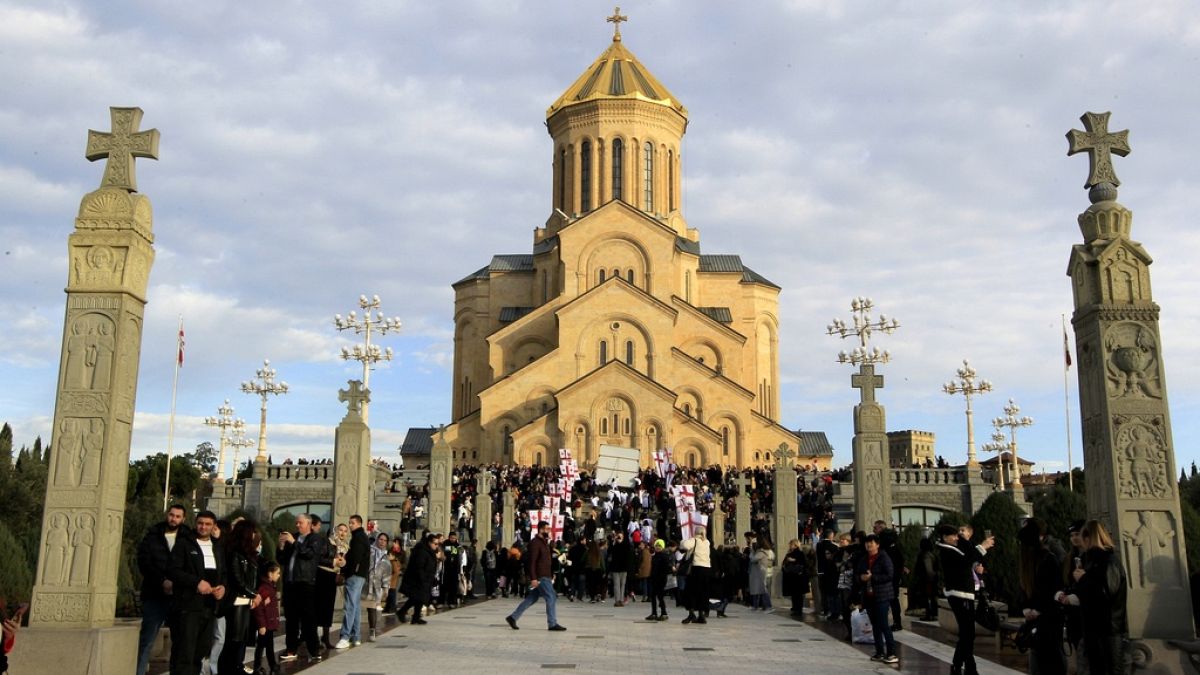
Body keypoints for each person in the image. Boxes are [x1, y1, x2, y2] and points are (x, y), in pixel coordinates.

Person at [1056, 519, 1128, 675]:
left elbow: (1105, 594)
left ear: (1089, 538)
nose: (1079, 541)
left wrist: (1083, 580)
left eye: (1081, 537)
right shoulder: (1094, 561)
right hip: (1094, 629)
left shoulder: (1108, 561)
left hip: (1108, 629)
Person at [167, 510, 227, 675]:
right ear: (195, 523)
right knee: (185, 651)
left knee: (200, 651)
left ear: (213, 526)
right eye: (200, 523)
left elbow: (223, 574)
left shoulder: (217, 547)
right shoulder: (184, 544)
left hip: (209, 607)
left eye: (208, 524)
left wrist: (223, 587)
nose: (203, 527)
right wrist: (196, 583)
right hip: (188, 606)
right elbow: (173, 570)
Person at [136, 504, 188, 675]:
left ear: (183, 519)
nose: (174, 519)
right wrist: (162, 581)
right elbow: (144, 562)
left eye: (178, 516)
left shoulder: (188, 537)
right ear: (167, 515)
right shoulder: (153, 535)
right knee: (146, 641)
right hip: (155, 595)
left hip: (178, 597)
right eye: (171, 515)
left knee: (180, 643)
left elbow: (192, 567)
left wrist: (176, 582)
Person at [936, 523, 994, 675]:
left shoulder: (954, 547)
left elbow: (969, 555)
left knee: (967, 632)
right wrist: (983, 546)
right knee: (967, 632)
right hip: (958, 594)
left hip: (963, 594)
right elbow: (967, 560)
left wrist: (964, 540)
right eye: (954, 535)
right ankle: (960, 665)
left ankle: (968, 666)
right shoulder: (947, 550)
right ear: (944, 537)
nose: (957, 537)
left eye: (958, 534)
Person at [277, 513, 329, 663]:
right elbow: (282, 559)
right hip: (290, 582)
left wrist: (294, 542)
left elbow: (308, 554)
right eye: (296, 523)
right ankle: (291, 648)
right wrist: (281, 545)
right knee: (291, 618)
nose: (297, 525)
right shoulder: (292, 538)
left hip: (305, 582)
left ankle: (314, 650)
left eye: (300, 523)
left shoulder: (315, 539)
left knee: (308, 619)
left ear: (308, 524)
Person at [1017, 519, 1066, 675]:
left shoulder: (1040, 559)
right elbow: (1051, 589)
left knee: (1044, 660)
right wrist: (1030, 609)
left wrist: (1030, 609)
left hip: (1044, 619)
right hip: (1043, 618)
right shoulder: (1042, 558)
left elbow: (1051, 589)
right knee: (1046, 660)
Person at [505, 521, 567, 631]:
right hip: (540, 575)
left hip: (545, 574)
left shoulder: (545, 543)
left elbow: (547, 561)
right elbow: (532, 562)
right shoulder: (535, 543)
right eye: (547, 529)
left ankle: (513, 617)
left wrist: (551, 574)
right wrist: (533, 578)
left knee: (532, 598)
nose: (548, 531)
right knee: (551, 597)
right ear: (541, 530)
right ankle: (552, 623)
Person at [217, 519, 261, 675]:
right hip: (236, 601)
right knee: (233, 641)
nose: (255, 535)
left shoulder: (248, 553)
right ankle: (228, 670)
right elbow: (237, 579)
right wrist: (254, 594)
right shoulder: (235, 553)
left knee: (239, 640)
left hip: (245, 601)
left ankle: (235, 667)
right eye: (253, 531)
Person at [857, 533, 899, 664]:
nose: (868, 545)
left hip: (882, 595)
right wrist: (861, 578)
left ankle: (891, 653)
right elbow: (858, 573)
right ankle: (879, 651)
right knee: (875, 625)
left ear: (877, 544)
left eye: (871, 543)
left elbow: (889, 575)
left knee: (883, 624)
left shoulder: (883, 557)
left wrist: (872, 577)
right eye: (867, 543)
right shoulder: (864, 558)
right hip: (869, 596)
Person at [335, 515, 370, 649]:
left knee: (350, 606)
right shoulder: (360, 537)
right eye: (349, 523)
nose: (350, 525)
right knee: (354, 606)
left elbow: (355, 558)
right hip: (359, 575)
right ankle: (356, 637)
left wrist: (347, 570)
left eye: (353, 523)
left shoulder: (358, 538)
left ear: (359, 524)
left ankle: (345, 636)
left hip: (355, 575)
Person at [397, 533, 440, 625]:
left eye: (437, 544)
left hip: (425, 579)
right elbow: (419, 567)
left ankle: (416, 617)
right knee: (416, 597)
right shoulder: (422, 551)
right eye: (435, 544)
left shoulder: (429, 552)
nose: (436, 546)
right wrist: (424, 578)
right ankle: (402, 611)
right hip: (418, 579)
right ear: (429, 542)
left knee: (420, 598)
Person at [316, 520, 346, 650]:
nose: (342, 533)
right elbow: (320, 558)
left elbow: (344, 564)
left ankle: (326, 637)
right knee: (319, 606)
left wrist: (343, 565)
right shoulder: (327, 542)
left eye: (345, 531)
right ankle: (313, 638)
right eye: (340, 530)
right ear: (335, 531)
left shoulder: (344, 547)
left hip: (333, 577)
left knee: (329, 607)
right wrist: (334, 561)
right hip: (322, 574)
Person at [251, 562, 282, 675]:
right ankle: (259, 666)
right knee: (262, 646)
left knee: (268, 645)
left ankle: (271, 665)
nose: (279, 575)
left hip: (269, 623)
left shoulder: (270, 587)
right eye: (277, 573)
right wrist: (262, 625)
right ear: (270, 574)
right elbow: (258, 608)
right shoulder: (265, 588)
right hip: (266, 624)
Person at [679, 527, 713, 625]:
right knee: (703, 592)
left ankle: (691, 613)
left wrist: (686, 538)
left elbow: (684, 545)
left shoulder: (694, 540)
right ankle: (701, 615)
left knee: (690, 591)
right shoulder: (707, 542)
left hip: (696, 569)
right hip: (706, 569)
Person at [364, 532, 392, 641]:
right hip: (364, 582)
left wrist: (386, 588)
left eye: (385, 540)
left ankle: (372, 631)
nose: (382, 542)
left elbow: (387, 573)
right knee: (357, 607)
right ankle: (353, 632)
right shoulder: (370, 550)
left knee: (372, 608)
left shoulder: (385, 556)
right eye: (381, 539)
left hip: (375, 586)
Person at [815, 529, 841, 620]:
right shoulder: (834, 546)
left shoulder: (818, 545)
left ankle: (825, 610)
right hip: (831, 572)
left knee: (823, 592)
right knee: (832, 592)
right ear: (831, 536)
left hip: (821, 571)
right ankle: (833, 610)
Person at [912, 535, 939, 621]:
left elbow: (928, 569)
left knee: (928, 597)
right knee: (931, 597)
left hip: (927, 580)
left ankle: (929, 614)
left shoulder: (925, 555)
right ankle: (931, 613)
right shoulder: (931, 554)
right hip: (930, 579)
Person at [782, 538, 810, 616]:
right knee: (794, 594)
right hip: (793, 577)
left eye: (791, 544)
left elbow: (804, 564)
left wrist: (794, 561)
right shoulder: (790, 553)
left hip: (798, 577)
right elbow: (784, 563)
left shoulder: (800, 553)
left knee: (798, 595)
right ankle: (795, 607)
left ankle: (798, 609)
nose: (790, 546)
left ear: (795, 545)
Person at [647, 539, 671, 621]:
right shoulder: (655, 556)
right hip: (654, 578)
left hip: (661, 579)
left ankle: (664, 613)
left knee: (660, 596)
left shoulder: (665, 556)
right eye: (656, 545)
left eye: (659, 546)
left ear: (662, 547)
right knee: (653, 596)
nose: (657, 547)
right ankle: (654, 613)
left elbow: (667, 568)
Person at [749, 540, 775, 610]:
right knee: (761, 590)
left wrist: (752, 552)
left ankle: (766, 605)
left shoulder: (761, 552)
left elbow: (753, 559)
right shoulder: (769, 552)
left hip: (761, 573)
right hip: (766, 572)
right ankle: (762, 605)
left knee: (761, 590)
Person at [608, 531, 631, 607]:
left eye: (620, 537)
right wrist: (614, 541)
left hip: (623, 568)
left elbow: (627, 552)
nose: (619, 538)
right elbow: (610, 551)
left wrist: (621, 542)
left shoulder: (625, 545)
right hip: (615, 568)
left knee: (622, 585)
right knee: (616, 585)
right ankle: (617, 600)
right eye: (618, 537)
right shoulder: (614, 545)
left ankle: (621, 600)